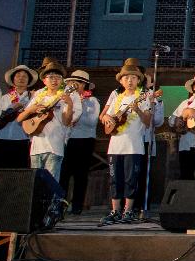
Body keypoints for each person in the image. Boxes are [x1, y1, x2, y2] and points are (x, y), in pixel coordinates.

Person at [99, 58, 155, 225]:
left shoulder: (146, 95)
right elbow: (103, 116)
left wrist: (137, 109)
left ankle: (128, 210)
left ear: (139, 80)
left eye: (133, 78)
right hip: (115, 144)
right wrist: (107, 117)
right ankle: (115, 210)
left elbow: (147, 122)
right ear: (121, 80)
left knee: (131, 179)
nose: (129, 81)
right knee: (114, 178)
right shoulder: (115, 95)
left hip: (134, 145)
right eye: (126, 78)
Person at [19, 57, 78, 183]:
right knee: (35, 183)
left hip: (54, 146)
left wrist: (70, 104)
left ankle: (51, 204)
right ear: (44, 80)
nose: (55, 80)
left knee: (50, 183)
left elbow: (67, 122)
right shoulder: (39, 94)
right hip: (36, 146)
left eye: (58, 77)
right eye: (51, 76)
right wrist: (32, 109)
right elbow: (20, 118)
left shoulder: (67, 95)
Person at [63, 70, 101, 213]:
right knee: (64, 174)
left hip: (84, 141)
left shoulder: (92, 101)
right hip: (67, 140)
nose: (74, 85)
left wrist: (76, 110)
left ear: (84, 85)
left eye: (77, 83)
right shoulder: (65, 99)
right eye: (71, 82)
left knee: (80, 175)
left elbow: (91, 122)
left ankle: (77, 206)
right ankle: (61, 204)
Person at [0, 63, 37, 168]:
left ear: (29, 81)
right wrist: (11, 109)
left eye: (25, 76)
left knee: (19, 174)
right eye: (18, 76)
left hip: (22, 140)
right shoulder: (4, 98)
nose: (21, 78)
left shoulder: (34, 98)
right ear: (13, 80)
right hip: (1, 139)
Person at [170, 72, 195, 185]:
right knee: (186, 174)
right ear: (193, 87)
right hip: (186, 143)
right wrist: (178, 122)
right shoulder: (186, 103)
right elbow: (172, 119)